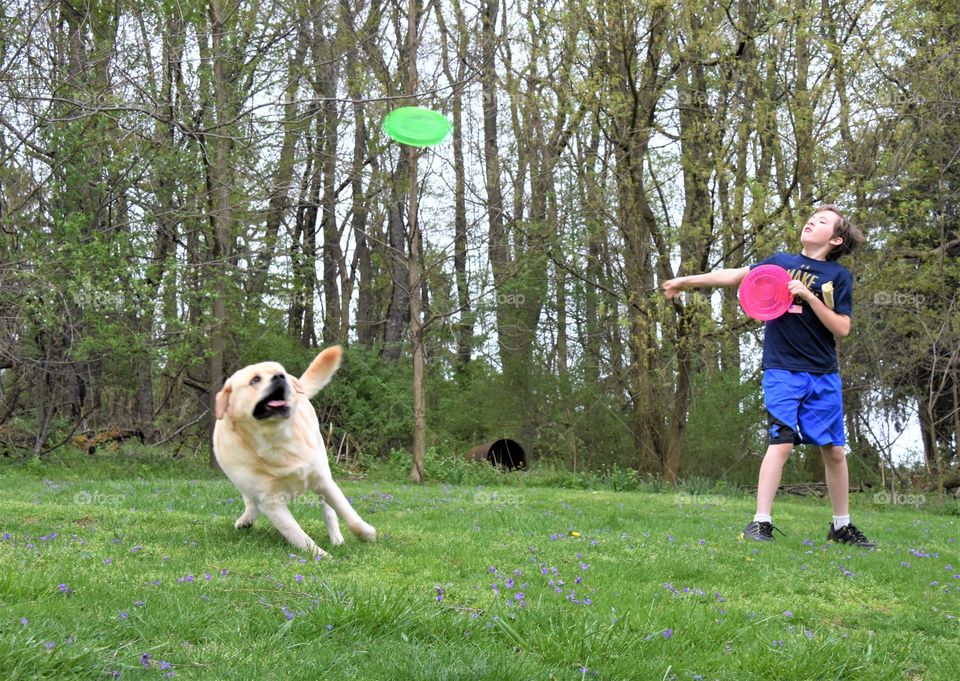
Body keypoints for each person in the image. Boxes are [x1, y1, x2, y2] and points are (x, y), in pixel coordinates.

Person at [661, 205, 875, 548]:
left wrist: (808, 297)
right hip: (782, 370)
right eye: (811, 217)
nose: (811, 221)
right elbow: (735, 276)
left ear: (835, 239)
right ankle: (761, 522)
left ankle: (841, 526)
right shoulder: (779, 261)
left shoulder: (838, 276)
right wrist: (687, 281)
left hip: (823, 374)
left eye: (822, 221)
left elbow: (843, 328)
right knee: (782, 442)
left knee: (834, 451)